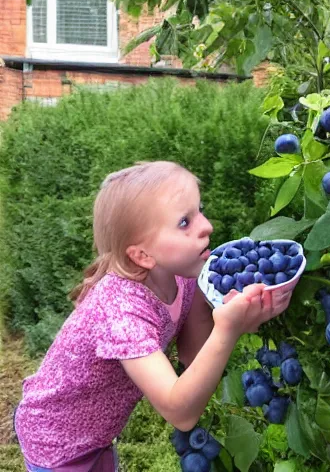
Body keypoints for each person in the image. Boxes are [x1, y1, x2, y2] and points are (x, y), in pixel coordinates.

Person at [14, 161, 292, 472]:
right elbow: (180, 411)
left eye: (199, 209)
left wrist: (235, 319)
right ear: (142, 255)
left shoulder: (186, 276)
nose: (207, 226)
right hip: (56, 440)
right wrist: (227, 331)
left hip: (96, 436)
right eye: (184, 222)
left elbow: (193, 354)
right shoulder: (121, 309)